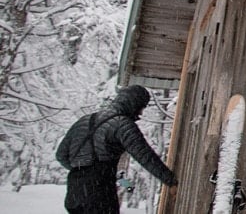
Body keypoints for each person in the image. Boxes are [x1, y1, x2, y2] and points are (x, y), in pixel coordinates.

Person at [56, 85, 177, 214]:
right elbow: (145, 156)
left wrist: (82, 169)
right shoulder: (122, 125)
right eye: (141, 107)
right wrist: (170, 180)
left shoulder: (84, 120)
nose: (140, 113)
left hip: (75, 191)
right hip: (99, 192)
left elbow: (61, 155)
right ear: (133, 104)